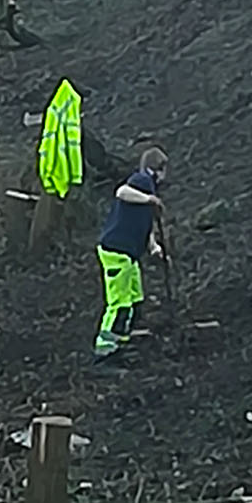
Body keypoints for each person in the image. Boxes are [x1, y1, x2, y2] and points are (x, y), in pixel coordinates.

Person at [94, 146, 167, 359]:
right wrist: (149, 200)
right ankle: (105, 347)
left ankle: (123, 336)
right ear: (157, 169)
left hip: (130, 253)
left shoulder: (149, 188)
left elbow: (143, 222)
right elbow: (121, 192)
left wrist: (153, 246)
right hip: (117, 250)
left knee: (136, 296)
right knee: (119, 301)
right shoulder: (142, 181)